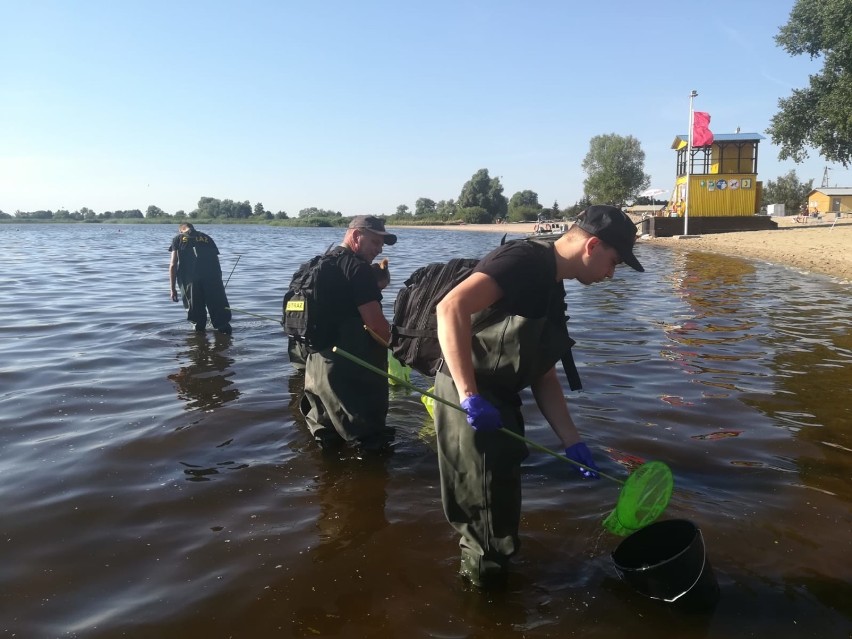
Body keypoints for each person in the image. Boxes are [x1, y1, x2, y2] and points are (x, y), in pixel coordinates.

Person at [433, 204, 644, 588]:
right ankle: (486, 599)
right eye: (614, 262)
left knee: (499, 502)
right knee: (484, 518)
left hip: (499, 397)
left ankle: (494, 583)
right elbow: (450, 307)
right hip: (471, 396)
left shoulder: (552, 284)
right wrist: (469, 396)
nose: (612, 274)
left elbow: (543, 374)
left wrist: (572, 441)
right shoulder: (525, 260)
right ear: (592, 245)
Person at [299, 215, 397, 453]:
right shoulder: (357, 269)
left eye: (381, 245)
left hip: (316, 365)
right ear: (355, 236)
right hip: (349, 369)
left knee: (326, 436)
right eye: (374, 242)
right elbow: (375, 324)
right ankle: (372, 484)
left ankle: (327, 485)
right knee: (369, 440)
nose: (378, 250)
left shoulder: (316, 263)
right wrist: (400, 349)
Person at [168, 222, 232, 335]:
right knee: (221, 317)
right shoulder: (207, 238)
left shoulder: (178, 239)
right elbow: (216, 262)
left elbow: (173, 264)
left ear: (181, 230)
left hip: (191, 282)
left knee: (197, 319)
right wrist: (219, 284)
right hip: (213, 280)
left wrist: (172, 288)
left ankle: (198, 345)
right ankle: (226, 341)